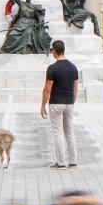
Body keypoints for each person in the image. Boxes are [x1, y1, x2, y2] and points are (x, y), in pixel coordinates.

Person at [40, 39, 80, 169]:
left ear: (55, 51)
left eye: (52, 50)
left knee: (57, 132)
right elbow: (75, 88)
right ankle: (73, 161)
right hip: (69, 102)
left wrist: (42, 105)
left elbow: (47, 89)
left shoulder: (52, 68)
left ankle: (61, 162)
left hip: (56, 103)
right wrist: (72, 101)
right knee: (69, 132)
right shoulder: (73, 67)